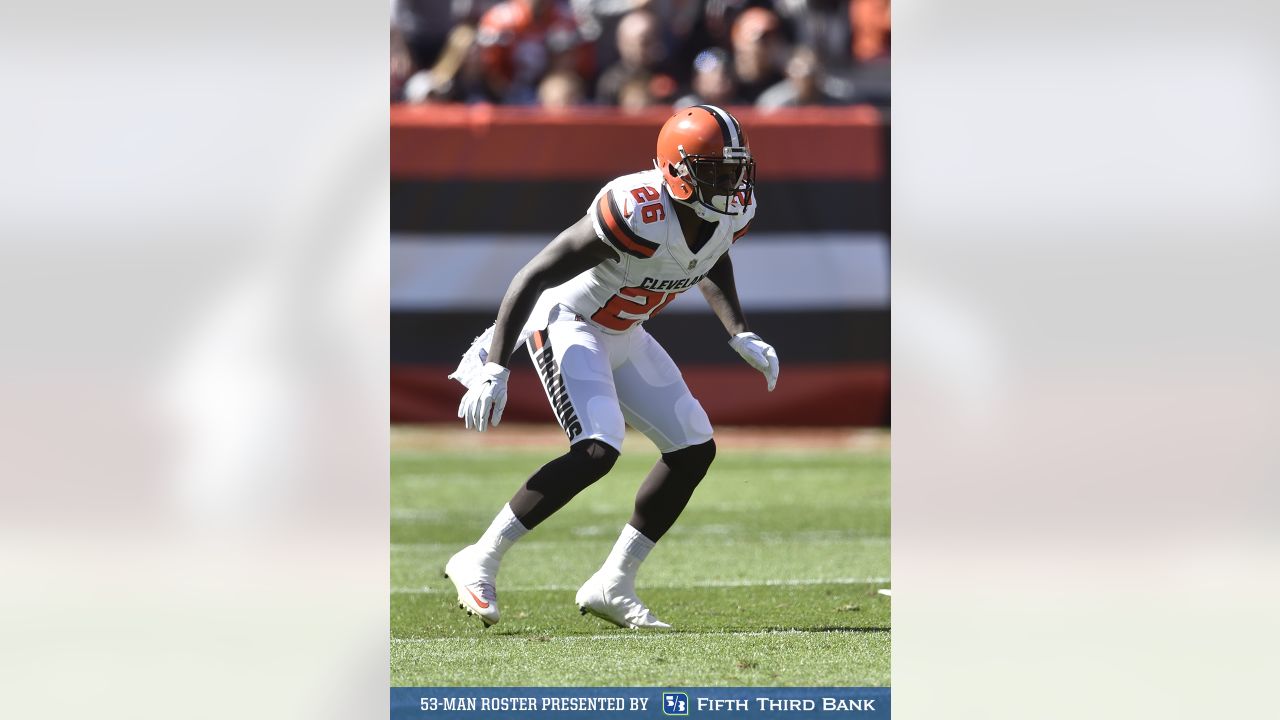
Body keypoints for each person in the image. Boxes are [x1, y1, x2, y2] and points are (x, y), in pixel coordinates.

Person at [444, 105, 780, 629]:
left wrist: (738, 329)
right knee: (598, 449)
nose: (730, 184)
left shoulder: (733, 211)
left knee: (693, 447)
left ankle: (614, 582)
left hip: (624, 331)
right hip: (569, 321)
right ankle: (479, 558)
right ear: (676, 171)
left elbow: (711, 253)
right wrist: (494, 366)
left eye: (735, 170)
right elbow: (533, 275)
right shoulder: (637, 209)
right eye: (715, 171)